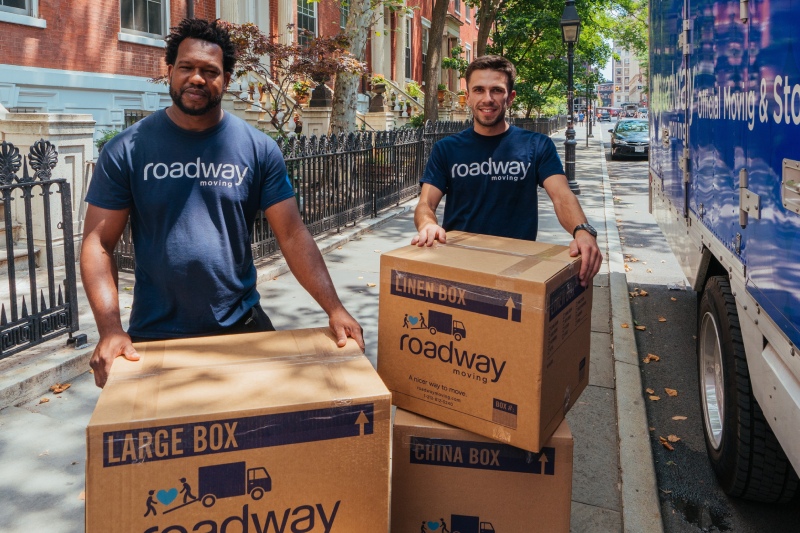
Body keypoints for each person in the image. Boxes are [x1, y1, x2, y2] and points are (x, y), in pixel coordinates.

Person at [81, 19, 363, 388]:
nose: (196, 78)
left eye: (209, 71)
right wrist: (110, 330)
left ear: (226, 80)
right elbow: (98, 243)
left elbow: (292, 234)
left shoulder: (259, 149)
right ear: (170, 72)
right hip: (155, 332)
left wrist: (335, 308)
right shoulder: (127, 150)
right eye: (186, 67)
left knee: (268, 435)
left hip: (241, 325)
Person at [412, 55, 602, 287]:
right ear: (469, 97)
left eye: (497, 90)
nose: (487, 99)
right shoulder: (446, 149)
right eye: (479, 90)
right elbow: (426, 204)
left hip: (516, 270)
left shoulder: (537, 145)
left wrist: (582, 230)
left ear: (510, 98)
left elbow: (562, 195)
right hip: (457, 265)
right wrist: (427, 225)